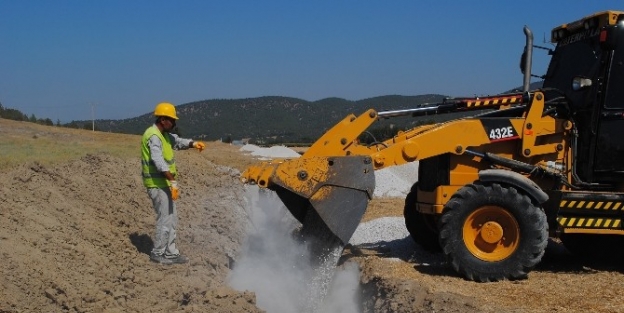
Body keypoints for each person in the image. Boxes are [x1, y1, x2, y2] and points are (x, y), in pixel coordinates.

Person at [141, 102, 206, 265]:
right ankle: (158, 252)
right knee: (165, 218)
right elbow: (158, 160)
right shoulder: (153, 135)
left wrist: (192, 143)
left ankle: (170, 252)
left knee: (172, 218)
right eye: (172, 120)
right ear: (163, 119)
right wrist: (172, 181)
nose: (174, 123)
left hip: (165, 183)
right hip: (157, 183)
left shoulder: (165, 135)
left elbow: (177, 141)